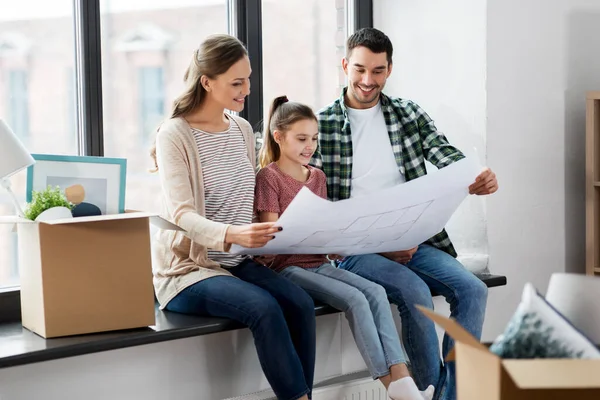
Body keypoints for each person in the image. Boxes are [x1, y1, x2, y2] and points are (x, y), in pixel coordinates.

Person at [310, 28, 499, 400]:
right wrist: (379, 246)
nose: (367, 80)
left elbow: (445, 154)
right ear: (345, 65)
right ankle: (429, 391)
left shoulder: (408, 114)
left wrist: (477, 175)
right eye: (360, 69)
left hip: (414, 240)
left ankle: (448, 395)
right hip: (355, 250)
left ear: (389, 69)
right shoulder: (322, 125)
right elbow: (310, 199)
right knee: (414, 291)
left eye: (377, 71)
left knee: (473, 290)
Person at [150, 34, 316, 400]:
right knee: (264, 308)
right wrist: (234, 235)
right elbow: (182, 215)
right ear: (207, 82)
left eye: (249, 79)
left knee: (301, 304)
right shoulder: (174, 134)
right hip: (190, 271)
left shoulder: (241, 129)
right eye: (237, 83)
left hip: (238, 262)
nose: (247, 90)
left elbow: (251, 193)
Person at [255, 95, 435, 400]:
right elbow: (270, 239)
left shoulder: (318, 177)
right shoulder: (269, 178)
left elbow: (322, 225)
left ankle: (403, 378)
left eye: (314, 138)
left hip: (320, 261)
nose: (309, 146)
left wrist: (335, 241)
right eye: (301, 139)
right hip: (289, 268)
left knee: (376, 293)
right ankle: (390, 385)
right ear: (279, 137)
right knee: (355, 298)